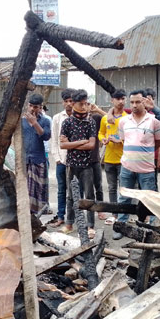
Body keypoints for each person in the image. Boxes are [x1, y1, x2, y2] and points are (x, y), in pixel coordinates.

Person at [113, 90, 160, 240]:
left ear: (145, 102)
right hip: (127, 166)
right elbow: (123, 139)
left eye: (138, 102)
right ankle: (121, 226)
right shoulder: (124, 121)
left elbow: (159, 142)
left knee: (150, 198)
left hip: (147, 168)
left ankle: (153, 227)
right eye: (132, 102)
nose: (134, 105)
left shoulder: (155, 121)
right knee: (124, 197)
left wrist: (143, 154)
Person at [60, 89, 97, 238]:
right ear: (74, 104)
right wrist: (82, 141)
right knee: (71, 195)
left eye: (85, 104)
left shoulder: (91, 122)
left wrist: (72, 144)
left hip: (86, 165)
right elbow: (62, 145)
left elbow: (91, 145)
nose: (84, 107)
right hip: (71, 164)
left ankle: (90, 226)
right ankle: (69, 223)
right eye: (81, 104)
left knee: (88, 195)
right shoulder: (67, 122)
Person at [98, 89, 127, 223]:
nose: (121, 101)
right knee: (111, 187)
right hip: (108, 159)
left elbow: (131, 137)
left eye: (123, 98)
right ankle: (114, 213)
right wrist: (103, 139)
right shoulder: (105, 118)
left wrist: (119, 140)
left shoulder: (127, 118)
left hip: (123, 159)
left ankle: (123, 213)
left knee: (124, 188)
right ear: (112, 100)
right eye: (118, 99)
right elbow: (101, 133)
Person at [48, 88, 75, 228]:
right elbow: (54, 140)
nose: (69, 104)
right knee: (61, 189)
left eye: (71, 101)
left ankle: (74, 217)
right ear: (62, 102)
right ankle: (60, 216)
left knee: (75, 190)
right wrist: (57, 158)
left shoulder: (80, 117)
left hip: (76, 161)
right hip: (61, 160)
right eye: (66, 101)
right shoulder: (57, 118)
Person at [22, 93, 52, 215]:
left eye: (36, 107)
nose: (33, 109)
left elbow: (46, 136)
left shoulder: (45, 121)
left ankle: (41, 211)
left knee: (40, 188)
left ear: (40, 107)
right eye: (31, 106)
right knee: (27, 189)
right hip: (25, 159)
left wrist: (35, 123)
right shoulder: (21, 121)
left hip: (39, 159)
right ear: (28, 106)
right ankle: (28, 212)